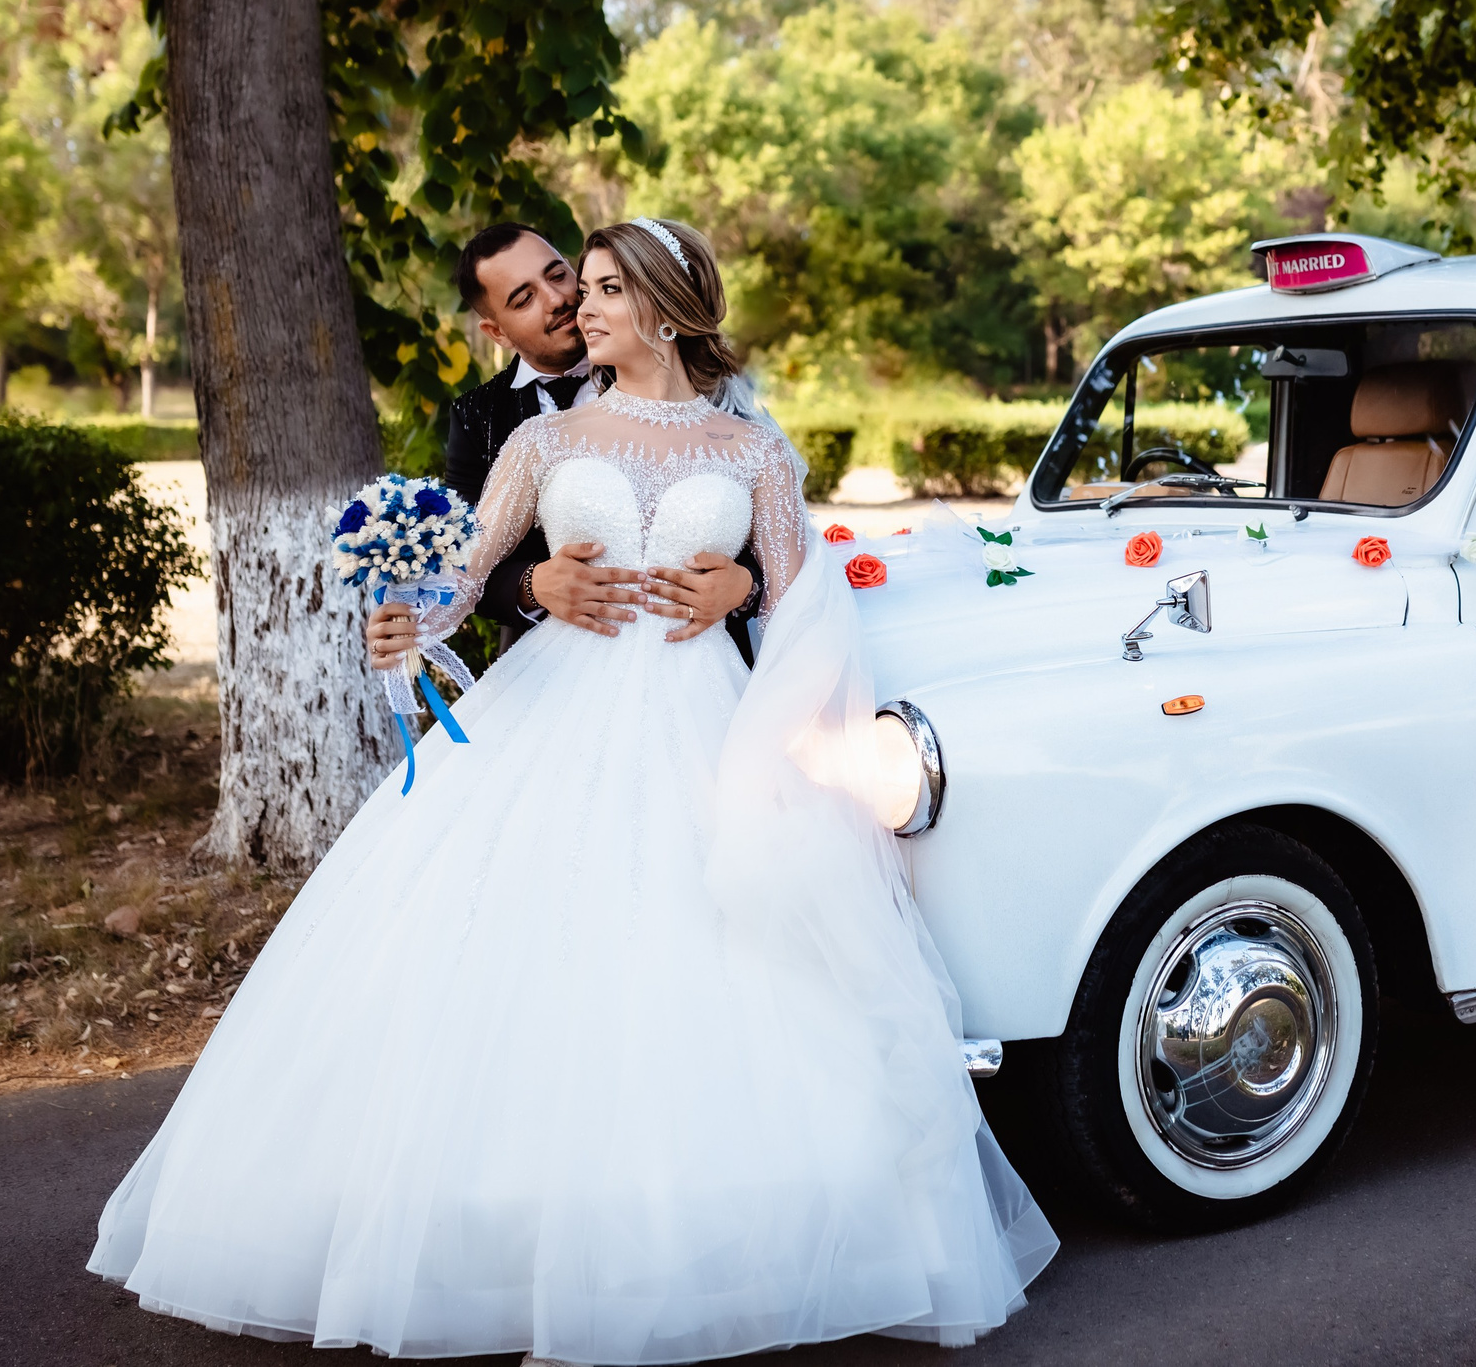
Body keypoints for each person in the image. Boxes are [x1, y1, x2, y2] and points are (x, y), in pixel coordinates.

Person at [88, 218, 1055, 1364]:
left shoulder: (749, 453)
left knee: (716, 969)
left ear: (660, 308)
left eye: (599, 290)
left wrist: (745, 577)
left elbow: (803, 606)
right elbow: (461, 575)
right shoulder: (543, 446)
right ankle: (496, 1236)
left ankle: (732, 1235)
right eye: (571, 290)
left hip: (702, 722)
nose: (577, 309)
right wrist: (416, 613)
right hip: (552, 715)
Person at [363, 221, 757, 669]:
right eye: (524, 298)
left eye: (558, 275)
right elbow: (468, 561)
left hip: (704, 664)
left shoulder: (709, 389)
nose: (560, 300)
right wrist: (531, 585)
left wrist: (745, 586)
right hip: (555, 670)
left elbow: (773, 539)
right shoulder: (481, 418)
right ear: (497, 332)